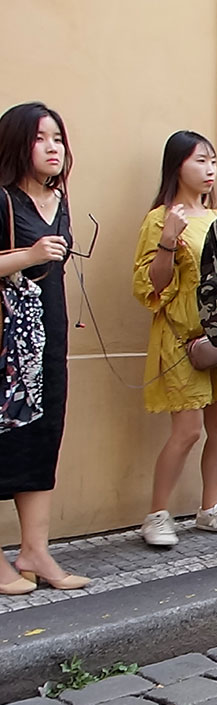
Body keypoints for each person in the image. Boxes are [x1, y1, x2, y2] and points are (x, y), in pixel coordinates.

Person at [132, 131, 217, 547]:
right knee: (186, 430)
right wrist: (167, 240)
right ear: (177, 165)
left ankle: (210, 508)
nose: (209, 169)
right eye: (200, 161)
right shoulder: (160, 218)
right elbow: (149, 287)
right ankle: (156, 514)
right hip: (181, 338)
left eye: (213, 161)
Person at [0, 102, 88, 593]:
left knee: (42, 437)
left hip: (46, 339)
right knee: (2, 440)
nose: (53, 147)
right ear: (17, 143)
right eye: (40, 138)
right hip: (5, 344)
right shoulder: (3, 200)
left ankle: (35, 549)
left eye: (57, 137)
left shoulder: (60, 201)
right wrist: (27, 256)